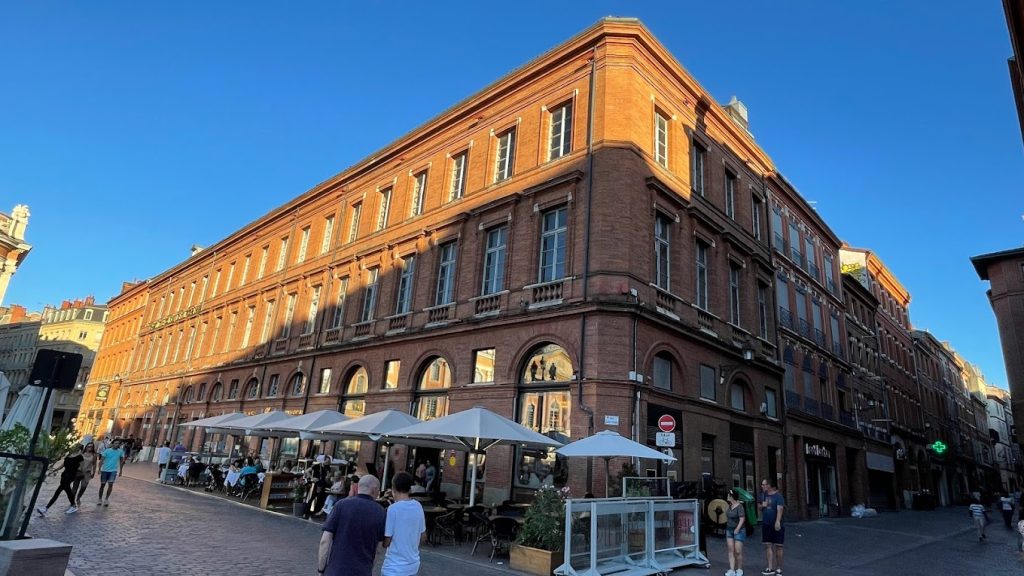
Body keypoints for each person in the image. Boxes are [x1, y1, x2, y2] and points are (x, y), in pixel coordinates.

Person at [317, 475, 386, 576]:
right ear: (374, 490)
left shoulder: (341, 505)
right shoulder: (380, 512)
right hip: (362, 571)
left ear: (358, 487)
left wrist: (321, 570)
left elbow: (325, 541)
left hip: (336, 571)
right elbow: (378, 549)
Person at [382, 472, 426, 576]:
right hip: (413, 565)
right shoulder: (418, 506)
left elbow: (387, 541)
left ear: (394, 489)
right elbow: (423, 536)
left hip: (394, 566)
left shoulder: (393, 509)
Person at [37, 445, 85, 516]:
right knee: (63, 491)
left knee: (61, 492)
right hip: (64, 475)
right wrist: (54, 470)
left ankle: (46, 508)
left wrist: (77, 469)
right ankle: (46, 508)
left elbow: (82, 467)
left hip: (70, 476)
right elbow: (62, 465)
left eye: (75, 447)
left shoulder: (80, 457)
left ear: (79, 449)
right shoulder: (68, 456)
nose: (73, 448)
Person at [759, 479, 785, 576]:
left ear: (769, 486)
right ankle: (770, 568)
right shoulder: (763, 495)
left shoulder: (778, 496)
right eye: (762, 485)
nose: (762, 486)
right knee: (768, 545)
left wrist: (777, 521)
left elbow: (780, 509)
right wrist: (762, 506)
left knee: (779, 546)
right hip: (766, 524)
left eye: (764, 485)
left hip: (777, 524)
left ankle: (779, 568)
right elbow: (759, 506)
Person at [97, 439, 126, 507]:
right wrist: (99, 469)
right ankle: (100, 499)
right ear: (112, 444)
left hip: (113, 471)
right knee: (102, 485)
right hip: (105, 470)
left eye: (118, 443)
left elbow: (121, 462)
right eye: (115, 443)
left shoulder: (120, 452)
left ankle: (106, 499)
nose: (117, 445)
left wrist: (121, 471)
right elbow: (101, 460)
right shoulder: (107, 451)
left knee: (110, 484)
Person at [725, 488, 748, 576]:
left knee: (738, 551)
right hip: (729, 529)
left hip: (739, 530)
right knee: (731, 550)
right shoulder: (729, 506)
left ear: (731, 496)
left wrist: (737, 529)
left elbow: (742, 519)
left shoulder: (740, 506)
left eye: (728, 495)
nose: (727, 497)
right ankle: (732, 569)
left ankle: (739, 569)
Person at [73, 442, 98, 506]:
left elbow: (94, 464)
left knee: (84, 486)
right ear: (86, 447)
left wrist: (93, 473)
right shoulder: (81, 453)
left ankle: (78, 497)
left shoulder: (94, 455)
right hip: (78, 472)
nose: (90, 448)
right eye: (88, 446)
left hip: (87, 473)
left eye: (91, 447)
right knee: (75, 488)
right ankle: (72, 501)